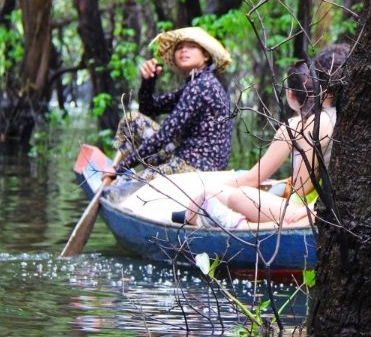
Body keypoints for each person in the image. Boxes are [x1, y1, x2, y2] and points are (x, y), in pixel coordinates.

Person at [177, 57, 338, 230]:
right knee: (252, 189)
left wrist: (207, 192)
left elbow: (264, 181)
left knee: (240, 195)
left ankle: (239, 225)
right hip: (317, 206)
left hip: (309, 210)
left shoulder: (299, 124)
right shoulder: (338, 115)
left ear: (290, 94)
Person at [102, 27, 234, 186]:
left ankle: (116, 172)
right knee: (132, 120)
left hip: (198, 170)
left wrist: (122, 168)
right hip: (184, 159)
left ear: (206, 55)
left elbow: (165, 135)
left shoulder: (202, 86)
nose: (184, 50)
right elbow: (149, 109)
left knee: (128, 185)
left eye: (191, 46)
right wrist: (148, 81)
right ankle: (115, 167)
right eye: (179, 47)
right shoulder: (194, 84)